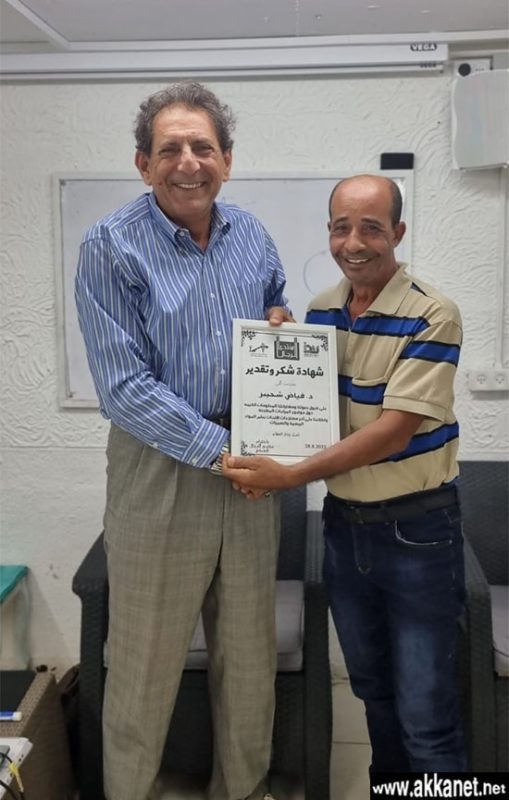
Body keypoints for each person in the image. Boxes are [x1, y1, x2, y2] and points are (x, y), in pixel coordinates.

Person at [75, 81, 293, 800]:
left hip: (252, 461)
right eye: (169, 149)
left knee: (249, 660)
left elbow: (274, 303)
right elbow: (124, 388)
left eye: (203, 147)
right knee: (144, 665)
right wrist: (219, 453)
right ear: (144, 165)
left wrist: (281, 323)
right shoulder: (109, 245)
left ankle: (244, 790)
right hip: (161, 468)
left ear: (227, 160)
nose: (188, 162)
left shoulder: (251, 234)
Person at [223, 174, 467, 773]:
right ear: (329, 232)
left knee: (427, 718)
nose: (353, 243)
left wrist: (288, 477)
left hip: (417, 533)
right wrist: (275, 342)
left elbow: (393, 431)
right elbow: (309, 412)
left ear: (398, 233)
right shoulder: (322, 311)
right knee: (373, 695)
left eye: (371, 228)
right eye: (341, 227)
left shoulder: (432, 314)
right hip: (344, 528)